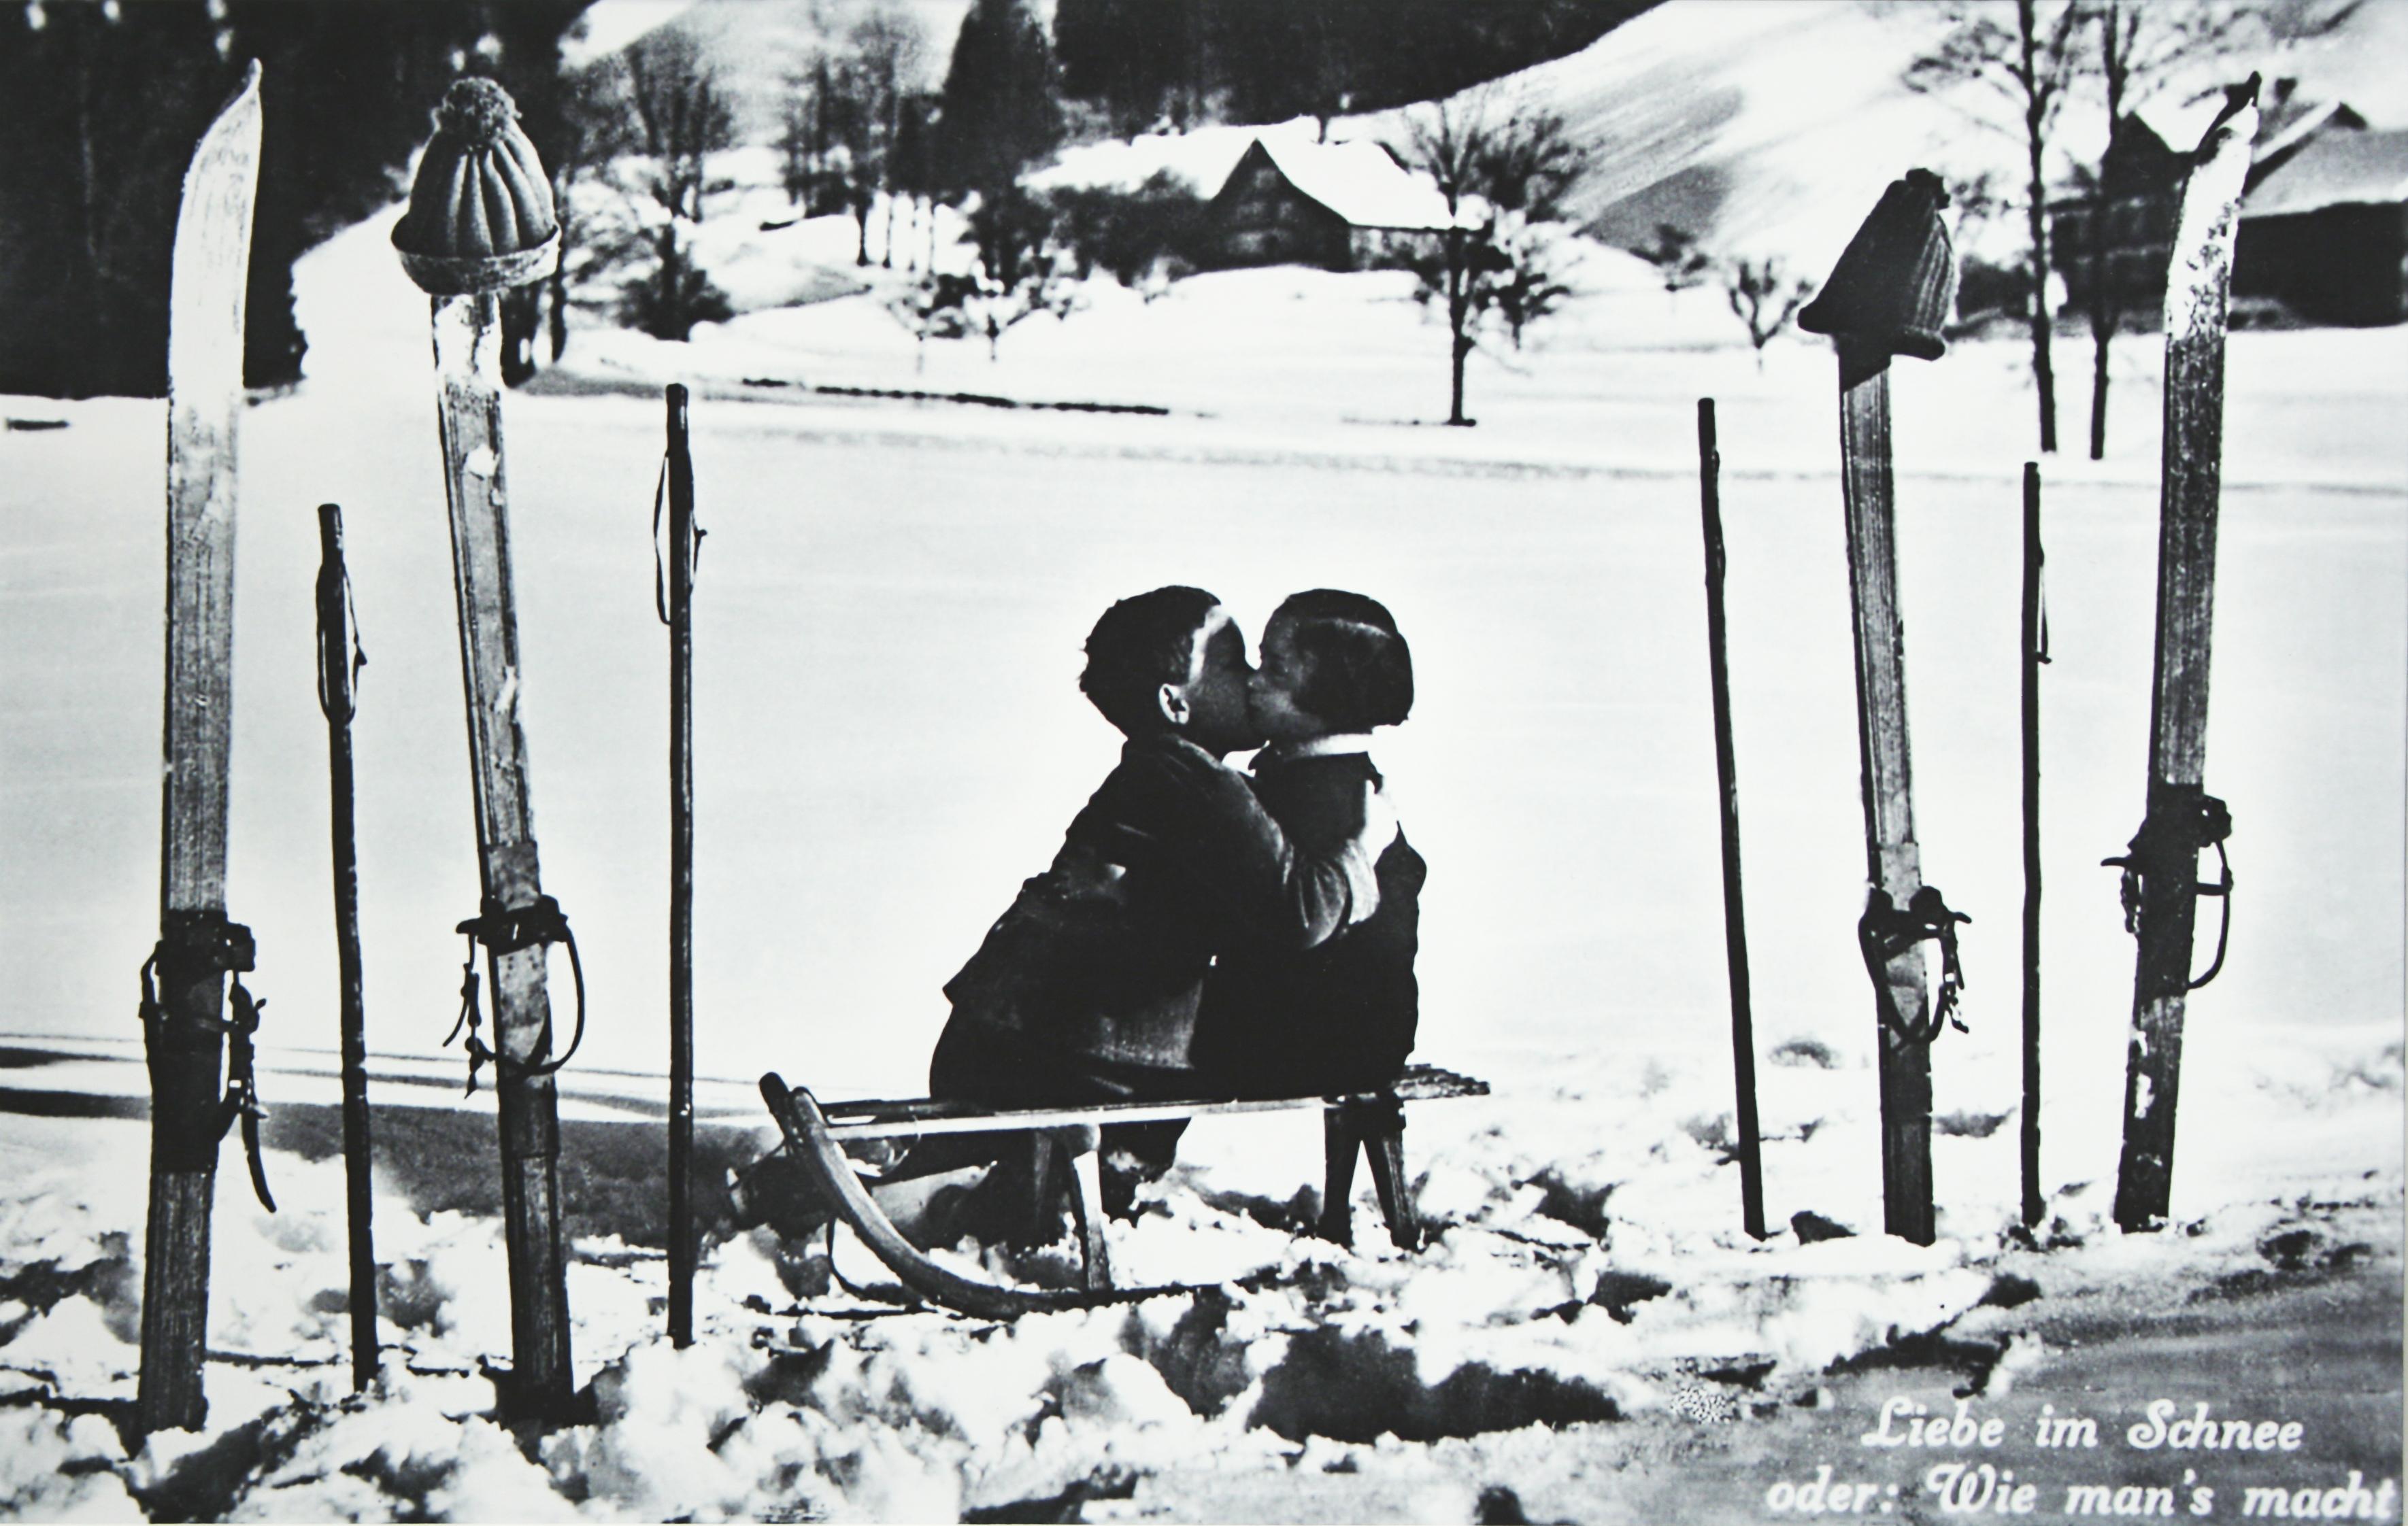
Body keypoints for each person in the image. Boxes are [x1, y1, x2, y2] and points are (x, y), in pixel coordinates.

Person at [924, 585, 1399, 1220]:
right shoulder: (1196, 782)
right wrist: (1361, 849)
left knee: (968, 1164)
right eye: (1233, 665)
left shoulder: (1157, 769)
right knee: (1016, 1189)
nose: (1255, 680)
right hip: (1078, 1052)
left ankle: (829, 1195)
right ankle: (914, 1209)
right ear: (1174, 703)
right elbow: (1300, 911)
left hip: (1017, 1028)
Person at [1192, 590, 1424, 1100]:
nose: (1253, 680)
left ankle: (1128, 1156)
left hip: (1300, 1043)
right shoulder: (1352, 779)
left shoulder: (1310, 793)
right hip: (1371, 1043)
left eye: (1276, 670)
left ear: (1329, 693)